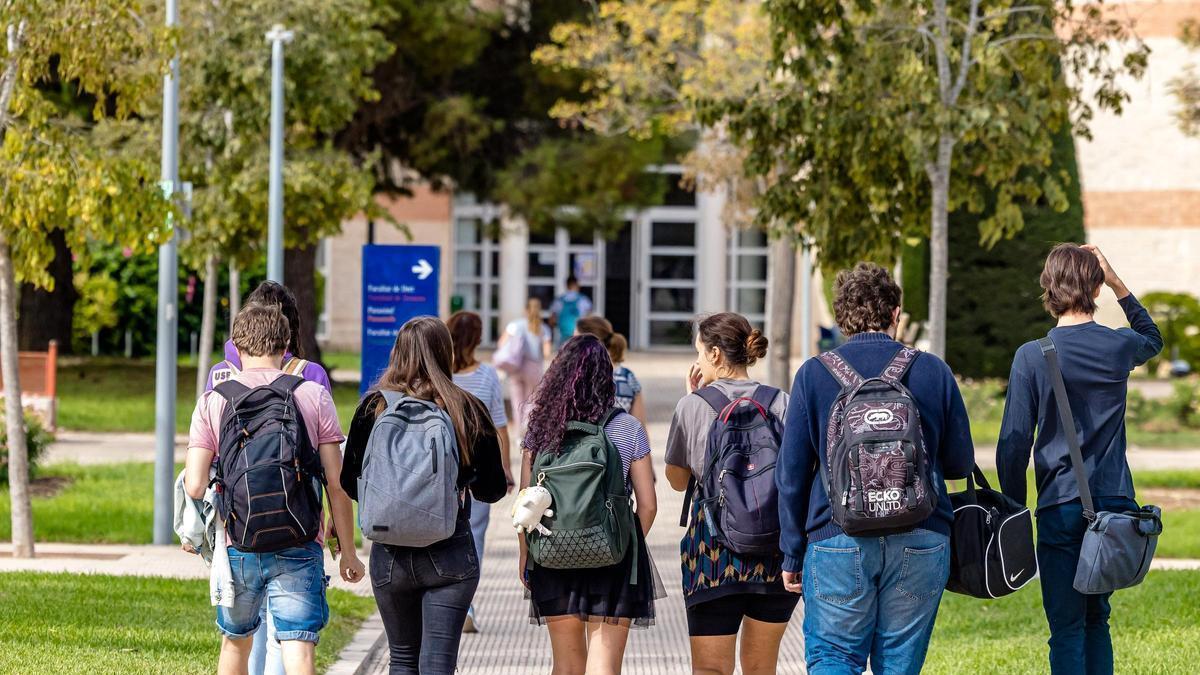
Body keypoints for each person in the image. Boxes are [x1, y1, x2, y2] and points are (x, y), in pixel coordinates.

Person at [777, 262, 974, 674]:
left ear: (840, 317)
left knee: (833, 657)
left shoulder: (814, 374)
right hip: (921, 534)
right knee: (899, 663)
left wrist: (792, 552)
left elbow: (791, 474)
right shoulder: (932, 370)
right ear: (895, 313)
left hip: (836, 536)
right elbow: (958, 463)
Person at [996, 244, 1162, 675]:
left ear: (1048, 287)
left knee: (1066, 627)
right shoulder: (1120, 347)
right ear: (1095, 286)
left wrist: (1014, 510)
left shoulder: (1032, 356)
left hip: (1061, 509)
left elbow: (1013, 446)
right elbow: (1153, 339)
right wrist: (1119, 285)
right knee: (1097, 620)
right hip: (1114, 508)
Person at [185, 303, 364, 675]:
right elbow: (337, 481)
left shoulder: (214, 401)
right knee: (298, 646)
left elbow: (195, 483)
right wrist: (348, 551)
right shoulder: (314, 395)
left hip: (239, 541)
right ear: (286, 346)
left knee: (235, 643)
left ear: (236, 345)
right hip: (300, 539)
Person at [341, 316, 508, 674]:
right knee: (438, 663)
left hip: (389, 556)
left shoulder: (373, 408)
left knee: (402, 658)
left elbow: (348, 482)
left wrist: (395, 499)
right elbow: (491, 490)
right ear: (444, 353)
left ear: (396, 354)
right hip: (450, 553)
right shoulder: (467, 408)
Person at [204, 281, 333, 675]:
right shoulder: (310, 377)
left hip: (239, 525)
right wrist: (338, 531)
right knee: (293, 638)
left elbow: (210, 458)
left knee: (240, 638)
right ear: (289, 329)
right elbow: (327, 467)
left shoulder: (219, 378)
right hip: (298, 523)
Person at [520, 335, 661, 675]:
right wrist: (623, 543)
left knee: (567, 666)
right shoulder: (627, 427)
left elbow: (527, 504)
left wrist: (526, 555)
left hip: (553, 555)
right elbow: (649, 505)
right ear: (606, 377)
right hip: (612, 561)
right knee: (605, 667)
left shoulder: (541, 431)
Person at [664, 313, 797, 675]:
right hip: (773, 550)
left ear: (716, 354)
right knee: (761, 668)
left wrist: (692, 402)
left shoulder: (693, 406)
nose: (697, 362)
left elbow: (677, 480)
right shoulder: (780, 402)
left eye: (699, 353)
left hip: (712, 553)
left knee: (711, 669)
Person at [445, 310, 516, 633]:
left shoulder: (438, 374)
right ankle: (465, 605)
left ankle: (443, 602)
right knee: (473, 539)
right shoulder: (486, 375)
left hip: (442, 467)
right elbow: (500, 427)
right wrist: (506, 467)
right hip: (478, 467)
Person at [575, 316, 646, 428]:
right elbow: (639, 424)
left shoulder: (577, 377)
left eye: (575, 340)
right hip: (622, 444)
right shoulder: (627, 377)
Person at [498, 298, 552, 434]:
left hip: (516, 366)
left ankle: (517, 435)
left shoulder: (515, 325)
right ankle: (527, 429)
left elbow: (501, 344)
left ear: (525, 310)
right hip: (534, 368)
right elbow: (546, 353)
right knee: (532, 401)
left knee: (517, 401)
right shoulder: (543, 329)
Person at [550, 276, 593, 346]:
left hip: (562, 337)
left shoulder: (558, 301)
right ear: (577, 284)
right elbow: (590, 320)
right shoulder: (584, 300)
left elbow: (552, 321)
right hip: (579, 337)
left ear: (566, 285)